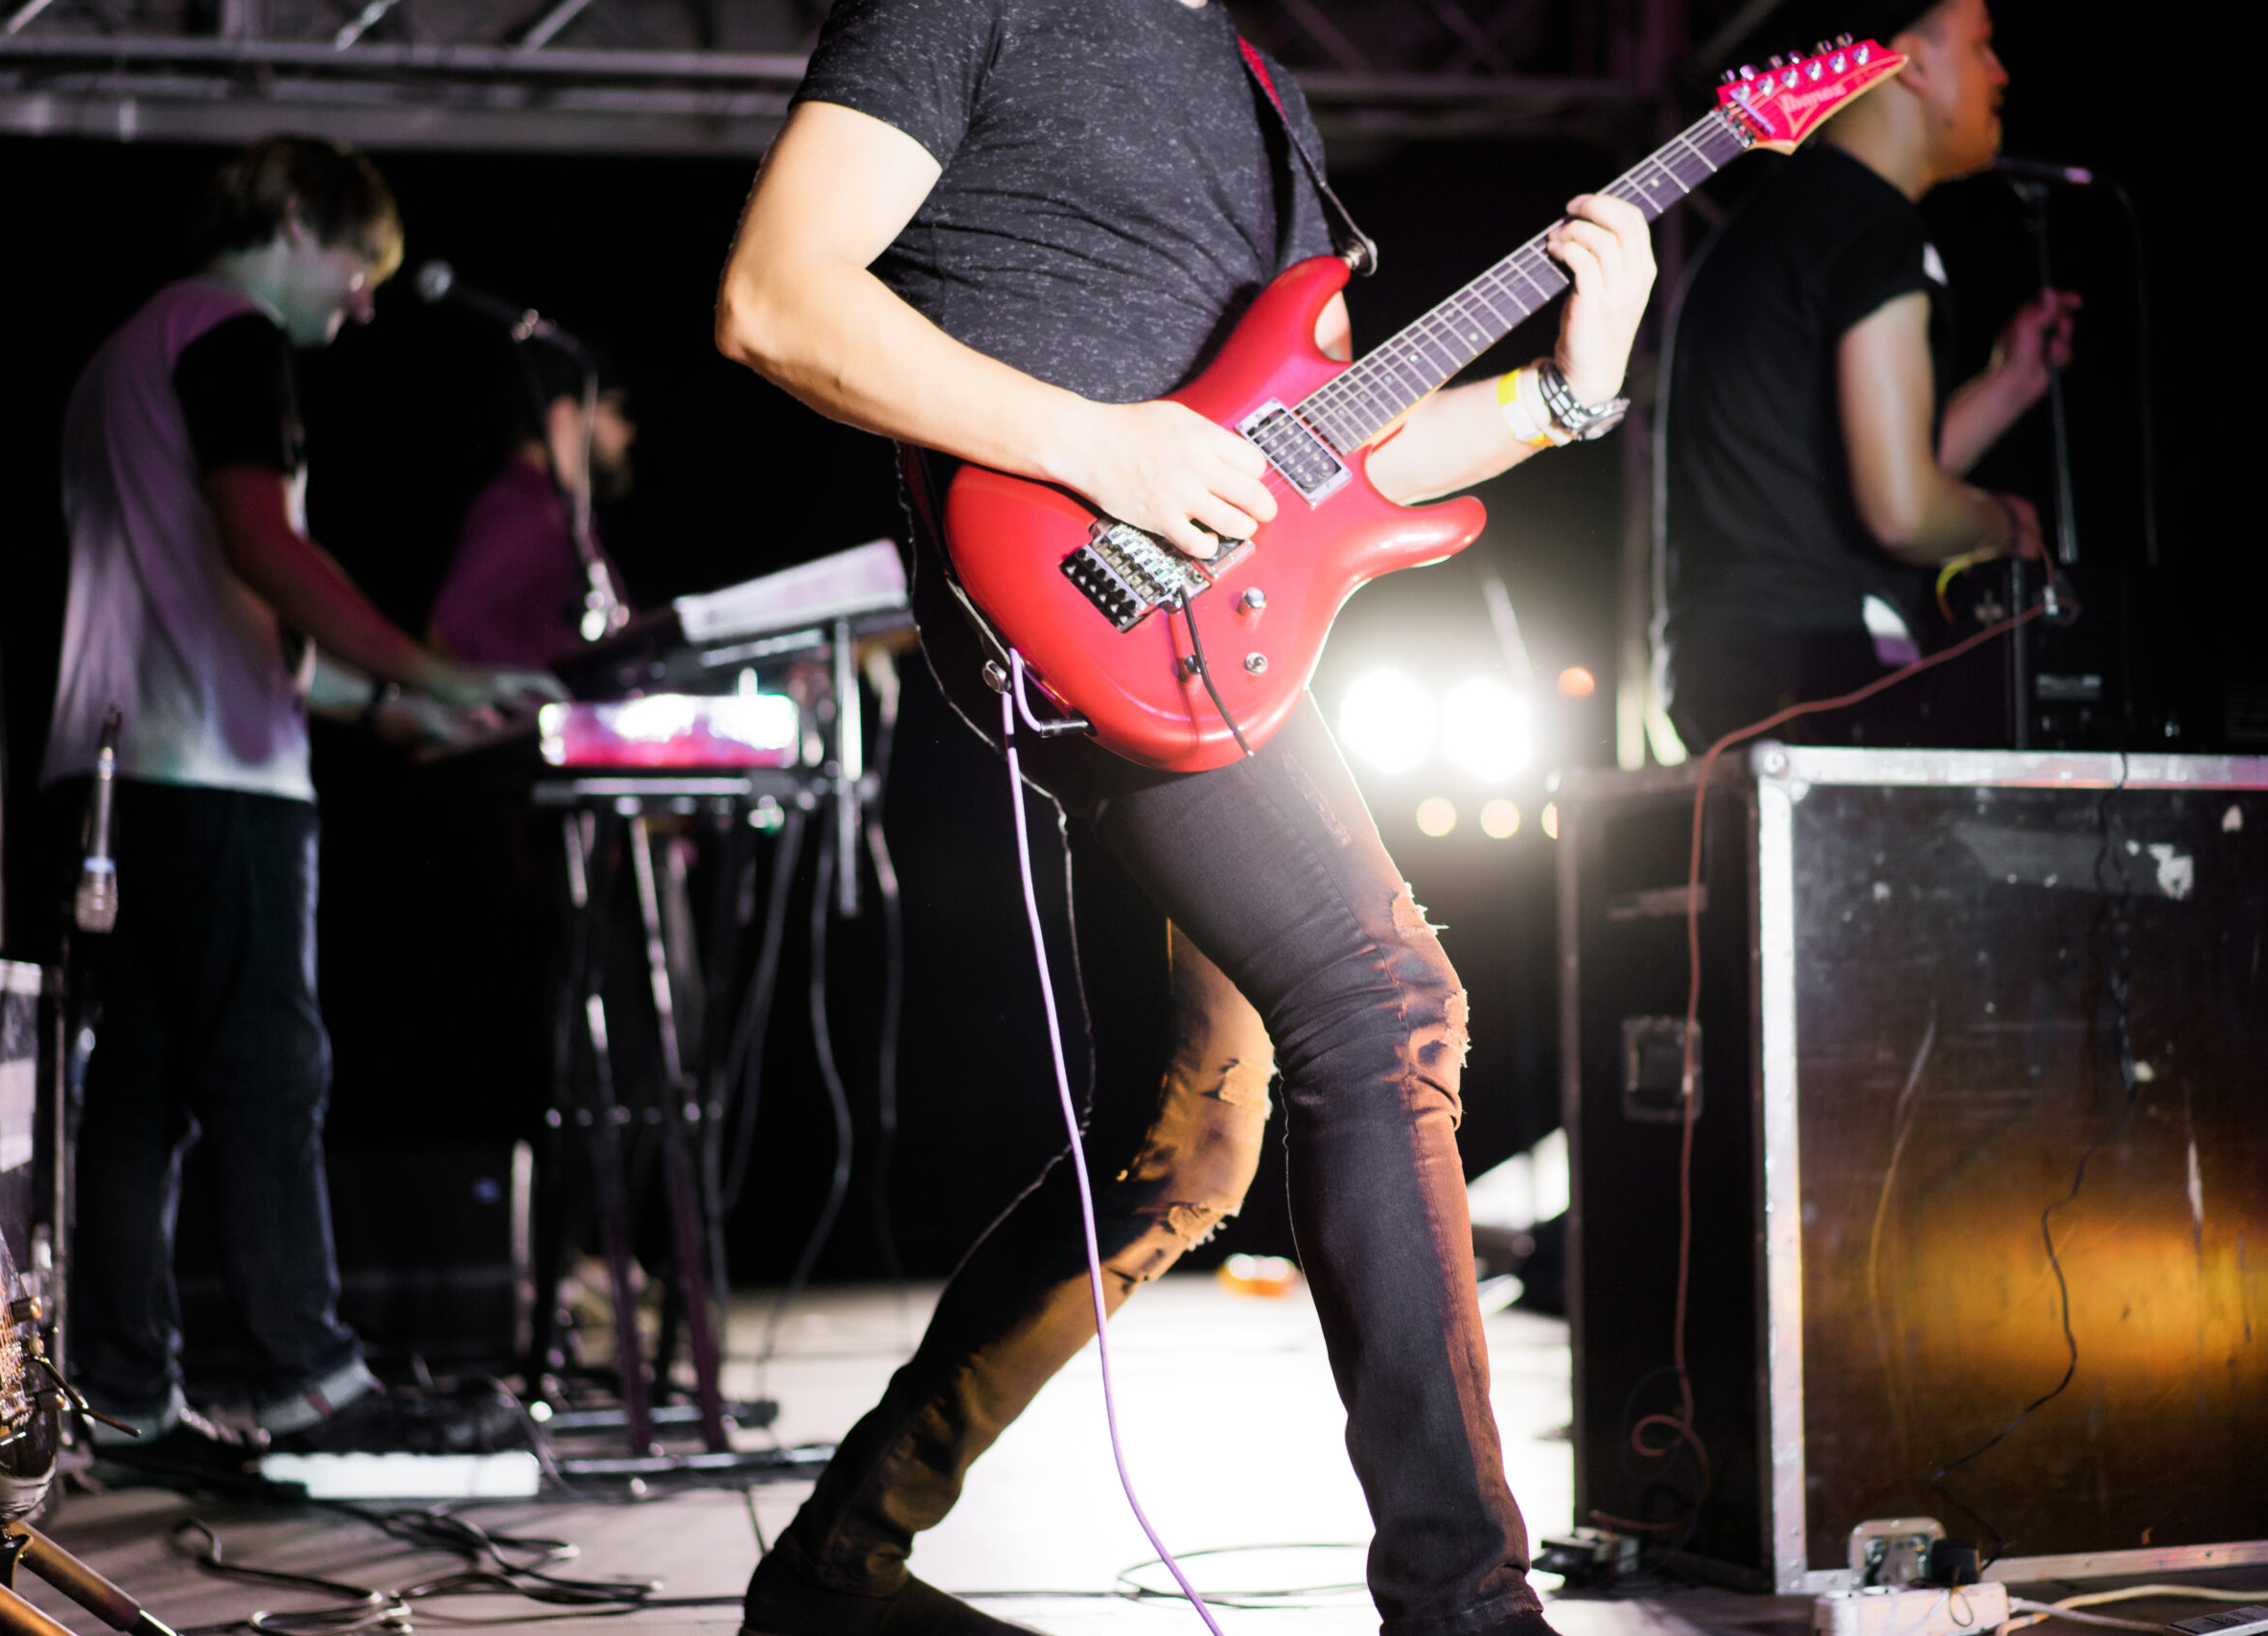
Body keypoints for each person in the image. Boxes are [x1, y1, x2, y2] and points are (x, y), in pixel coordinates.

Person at [709, 0, 1655, 1631]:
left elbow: (1330, 458)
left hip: (1223, 638)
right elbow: (775, 297)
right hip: (1077, 591)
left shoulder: (1257, 86)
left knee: (1187, 1151)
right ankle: (1465, 1607)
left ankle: (836, 1564)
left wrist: (1569, 393)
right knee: (1385, 1001)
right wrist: (1100, 448)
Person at [41, 133, 562, 1462]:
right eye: (357, 262)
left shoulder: (122, 354)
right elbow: (263, 546)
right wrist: (431, 667)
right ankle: (306, 1381)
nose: (366, 299)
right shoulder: (232, 336)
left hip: (107, 774)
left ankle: (123, 1393)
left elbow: (206, 604)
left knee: (137, 1098)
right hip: (215, 779)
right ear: (291, 214)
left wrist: (390, 703)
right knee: (273, 1068)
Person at [1655, 0, 2077, 751]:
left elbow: (1853, 471)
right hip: (1833, 661)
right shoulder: (1876, 231)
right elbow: (1902, 510)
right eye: (1981, 46)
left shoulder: (1761, 229)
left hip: (1723, 666)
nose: (2000, 72)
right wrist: (2009, 523)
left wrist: (2008, 382)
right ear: (1912, 63)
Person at [428, 343, 637, 669]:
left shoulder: (564, 518)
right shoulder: (525, 511)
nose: (629, 431)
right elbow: (446, 631)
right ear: (564, 417)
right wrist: (539, 702)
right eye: (616, 409)